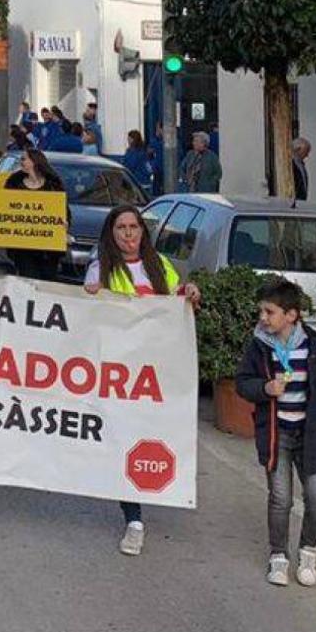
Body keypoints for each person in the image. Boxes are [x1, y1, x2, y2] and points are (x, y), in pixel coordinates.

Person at [84, 204, 201, 556]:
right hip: (121, 374)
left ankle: (149, 491)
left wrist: (190, 294)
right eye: (121, 227)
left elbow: (178, 304)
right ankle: (133, 519)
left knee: (150, 437)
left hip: (157, 372)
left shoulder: (159, 265)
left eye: (134, 227)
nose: (129, 234)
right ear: (112, 233)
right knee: (126, 440)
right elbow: (89, 314)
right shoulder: (100, 267)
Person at [235, 277, 316, 587]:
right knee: (280, 499)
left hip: (312, 437)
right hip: (277, 435)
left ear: (291, 315)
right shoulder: (260, 347)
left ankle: (308, 552)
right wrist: (265, 388)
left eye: (269, 312)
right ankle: (278, 556)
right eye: (261, 311)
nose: (262, 318)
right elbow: (242, 382)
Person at [3, 148, 65, 281]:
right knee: (28, 280)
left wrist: (65, 223)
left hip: (48, 249)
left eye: (24, 159)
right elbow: (6, 209)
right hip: (23, 247)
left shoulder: (53, 184)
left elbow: (64, 210)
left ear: (35, 161)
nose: (21, 162)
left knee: (47, 282)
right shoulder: (14, 183)